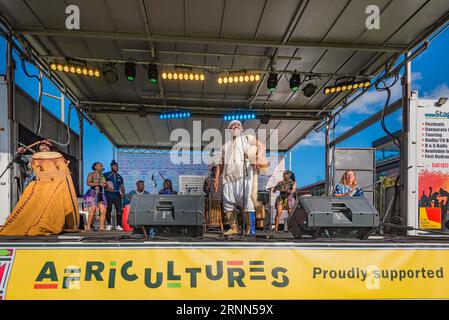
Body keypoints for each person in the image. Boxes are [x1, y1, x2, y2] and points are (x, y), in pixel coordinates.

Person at [214, 119, 267, 237]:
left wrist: (259, 157)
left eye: (237, 125)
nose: (235, 127)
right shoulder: (224, 146)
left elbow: (262, 145)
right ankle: (233, 228)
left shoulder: (246, 138)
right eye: (232, 125)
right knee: (227, 203)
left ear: (241, 129)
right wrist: (217, 179)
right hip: (228, 178)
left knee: (247, 201)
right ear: (229, 130)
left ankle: (250, 228)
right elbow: (220, 165)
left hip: (244, 175)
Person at [83, 162, 107, 231]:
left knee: (103, 210)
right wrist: (98, 183)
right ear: (95, 167)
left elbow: (104, 184)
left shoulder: (102, 175)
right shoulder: (91, 174)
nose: (102, 166)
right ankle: (88, 226)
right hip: (92, 193)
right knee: (92, 209)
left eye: (102, 166)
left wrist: (104, 184)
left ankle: (101, 227)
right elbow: (88, 183)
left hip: (100, 193)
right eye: (100, 165)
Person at [104, 160, 125, 231]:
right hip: (108, 195)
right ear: (111, 167)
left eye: (117, 166)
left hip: (117, 196)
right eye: (114, 166)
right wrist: (107, 188)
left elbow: (122, 186)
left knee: (119, 211)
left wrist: (123, 194)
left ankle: (118, 225)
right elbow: (103, 184)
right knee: (108, 210)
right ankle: (109, 225)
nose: (116, 167)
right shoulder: (106, 174)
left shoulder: (120, 176)